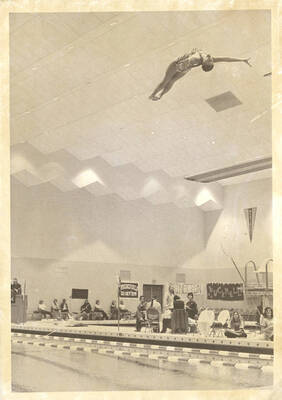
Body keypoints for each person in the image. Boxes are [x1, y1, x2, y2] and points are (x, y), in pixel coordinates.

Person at [149, 48, 252, 100]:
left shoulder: (198, 58)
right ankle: (161, 95)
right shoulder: (207, 59)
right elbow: (226, 59)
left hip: (178, 65)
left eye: (210, 60)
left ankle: (154, 95)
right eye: (211, 59)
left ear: (206, 63)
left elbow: (189, 59)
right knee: (172, 82)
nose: (211, 58)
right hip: (185, 69)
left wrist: (181, 65)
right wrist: (242, 60)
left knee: (166, 81)